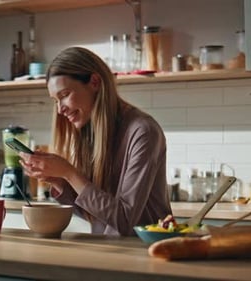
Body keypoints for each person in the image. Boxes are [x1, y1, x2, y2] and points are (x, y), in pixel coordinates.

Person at [19, 47, 172, 236]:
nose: (60, 110)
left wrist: (70, 173)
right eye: (55, 101)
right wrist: (61, 182)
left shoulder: (143, 132)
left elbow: (124, 220)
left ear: (94, 82)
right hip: (110, 251)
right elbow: (97, 214)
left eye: (65, 95)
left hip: (145, 253)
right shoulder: (91, 132)